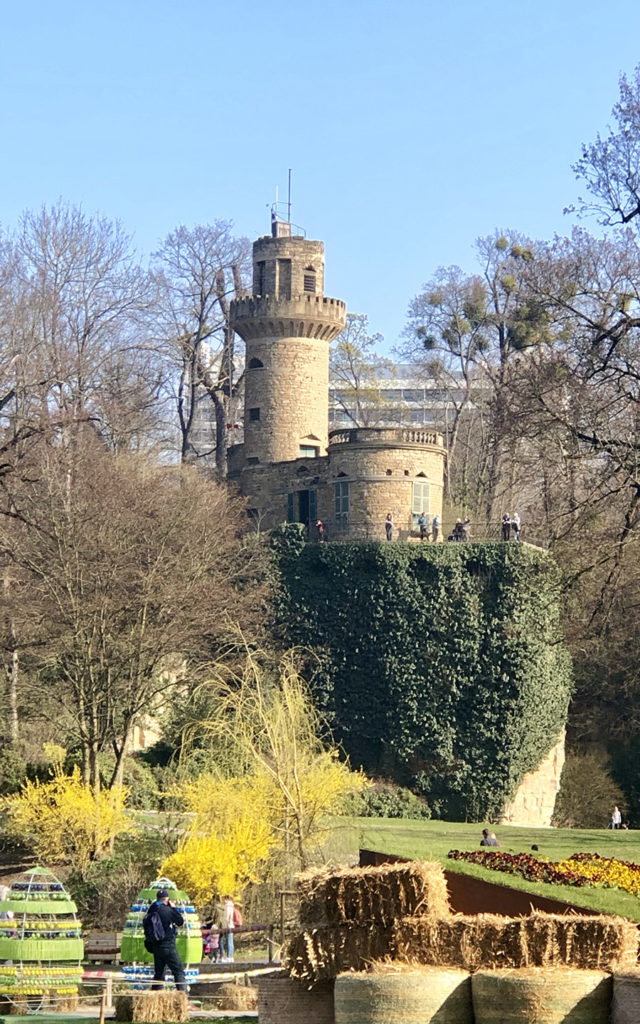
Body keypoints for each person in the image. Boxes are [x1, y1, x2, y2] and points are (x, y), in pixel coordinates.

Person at [144, 888, 187, 992]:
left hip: (155, 946)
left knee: (159, 973)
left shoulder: (151, 910)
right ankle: (183, 997)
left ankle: (154, 996)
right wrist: (173, 908)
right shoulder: (168, 910)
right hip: (168, 945)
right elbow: (180, 921)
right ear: (167, 899)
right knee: (178, 971)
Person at [221, 895, 236, 962]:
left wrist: (225, 923)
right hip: (232, 925)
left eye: (224, 899)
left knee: (229, 941)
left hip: (229, 925)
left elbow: (227, 916)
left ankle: (229, 956)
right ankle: (231, 956)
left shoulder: (227, 907)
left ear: (227, 899)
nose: (224, 901)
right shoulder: (232, 906)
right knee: (231, 941)